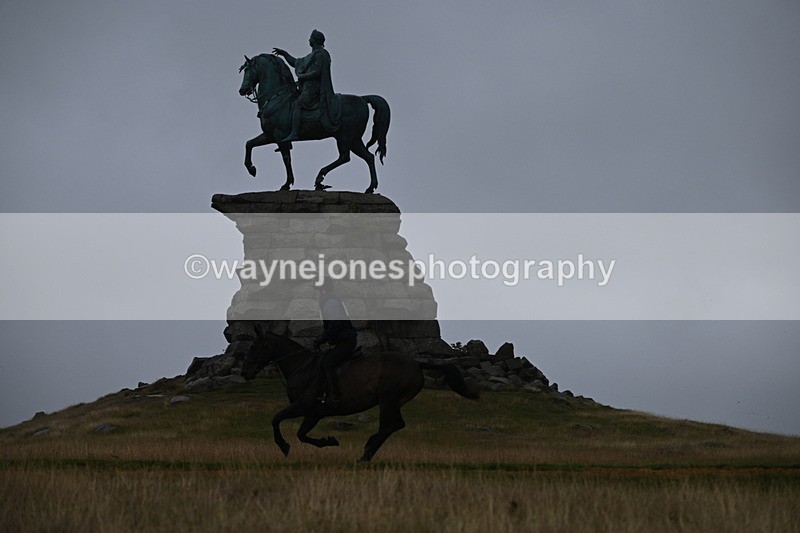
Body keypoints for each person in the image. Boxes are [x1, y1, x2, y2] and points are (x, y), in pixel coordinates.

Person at [272, 29, 341, 142]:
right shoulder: (310, 56)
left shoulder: (321, 53)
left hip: (314, 89)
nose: (309, 39)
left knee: (297, 104)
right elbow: (296, 63)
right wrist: (284, 54)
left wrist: (303, 77)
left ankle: (294, 133)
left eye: (311, 37)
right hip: (306, 89)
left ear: (315, 40)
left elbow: (318, 71)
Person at [313, 278, 357, 405]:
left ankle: (334, 396)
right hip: (343, 339)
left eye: (316, 289)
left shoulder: (330, 302)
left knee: (327, 363)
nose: (314, 292)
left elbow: (335, 324)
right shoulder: (328, 300)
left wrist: (321, 339)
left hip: (346, 340)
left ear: (322, 289)